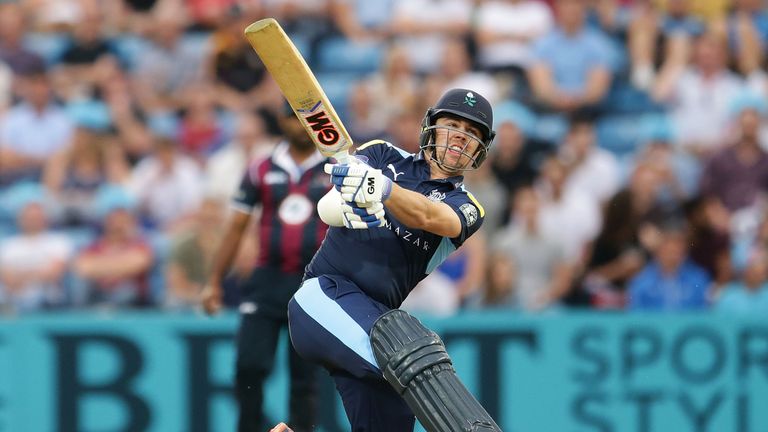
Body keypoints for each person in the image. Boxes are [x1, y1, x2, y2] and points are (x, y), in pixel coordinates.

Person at [287, 88, 501, 431]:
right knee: (408, 355)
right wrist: (347, 198)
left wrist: (382, 190)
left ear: (480, 149)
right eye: (453, 124)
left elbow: (431, 218)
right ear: (432, 127)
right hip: (321, 298)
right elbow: (331, 203)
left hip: (380, 324)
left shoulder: (468, 206)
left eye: (473, 132)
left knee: (396, 411)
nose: (461, 137)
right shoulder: (382, 152)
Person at [201, 106, 331, 432]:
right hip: (267, 277)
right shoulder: (261, 168)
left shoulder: (337, 168)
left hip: (313, 283)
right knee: (248, 365)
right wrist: (215, 281)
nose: (299, 126)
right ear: (282, 121)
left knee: (304, 375)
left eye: (305, 118)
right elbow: (236, 227)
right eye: (291, 117)